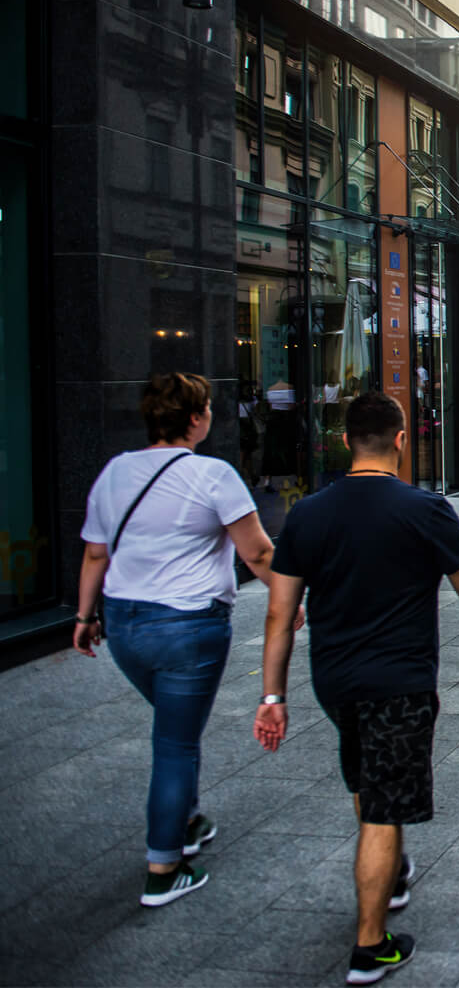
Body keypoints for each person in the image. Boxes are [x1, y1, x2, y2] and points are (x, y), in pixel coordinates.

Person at [254, 392, 459, 984]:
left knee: (368, 778)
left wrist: (273, 697)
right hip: (399, 679)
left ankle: (389, 872)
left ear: (346, 442)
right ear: (401, 440)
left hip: (335, 680)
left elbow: (279, 614)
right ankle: (371, 946)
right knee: (382, 805)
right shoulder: (425, 509)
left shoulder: (309, 514)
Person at [74, 372, 283, 907]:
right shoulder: (212, 475)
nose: (211, 414)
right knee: (174, 743)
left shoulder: (114, 473)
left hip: (123, 625)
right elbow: (257, 553)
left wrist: (83, 617)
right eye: (208, 407)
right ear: (194, 418)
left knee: (173, 728)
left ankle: (187, 821)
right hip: (189, 626)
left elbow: (96, 553)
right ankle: (164, 866)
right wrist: (289, 600)